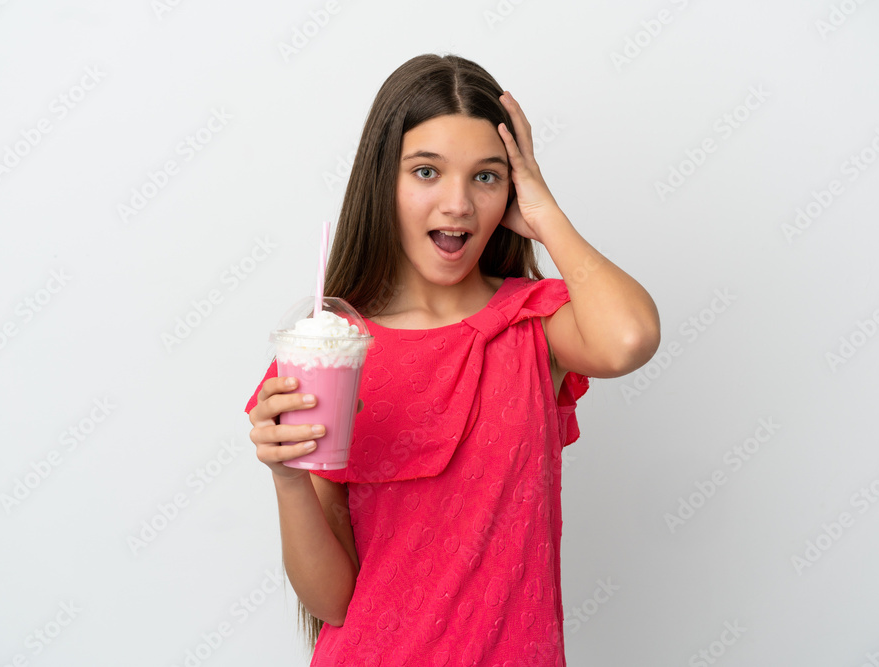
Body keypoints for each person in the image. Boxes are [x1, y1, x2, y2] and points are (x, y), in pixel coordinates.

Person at [245, 53, 660, 666]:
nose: (458, 204)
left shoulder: (532, 325)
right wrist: (287, 479)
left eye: (486, 177)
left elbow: (629, 337)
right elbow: (334, 602)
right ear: (384, 179)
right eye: (427, 171)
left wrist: (546, 216)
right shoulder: (335, 352)